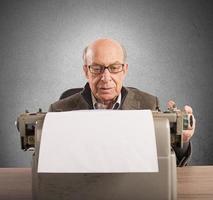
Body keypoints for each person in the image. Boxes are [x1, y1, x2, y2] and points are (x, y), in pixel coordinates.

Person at [49, 38, 195, 166]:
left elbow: (171, 164)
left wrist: (183, 140)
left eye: (114, 68)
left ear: (124, 70)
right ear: (86, 71)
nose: (106, 77)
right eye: (96, 68)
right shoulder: (58, 110)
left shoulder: (148, 104)